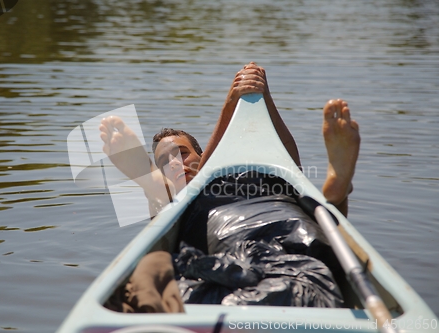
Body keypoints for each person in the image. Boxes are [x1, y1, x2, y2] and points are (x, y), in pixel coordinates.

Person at [100, 62, 360, 313]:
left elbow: (289, 166)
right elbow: (161, 223)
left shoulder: (249, 173)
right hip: (259, 251)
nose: (176, 164)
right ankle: (336, 192)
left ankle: (336, 189)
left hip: (283, 233)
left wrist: (263, 97)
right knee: (168, 202)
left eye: (181, 153)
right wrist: (231, 101)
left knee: (296, 192)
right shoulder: (169, 202)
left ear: (202, 157)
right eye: (164, 163)